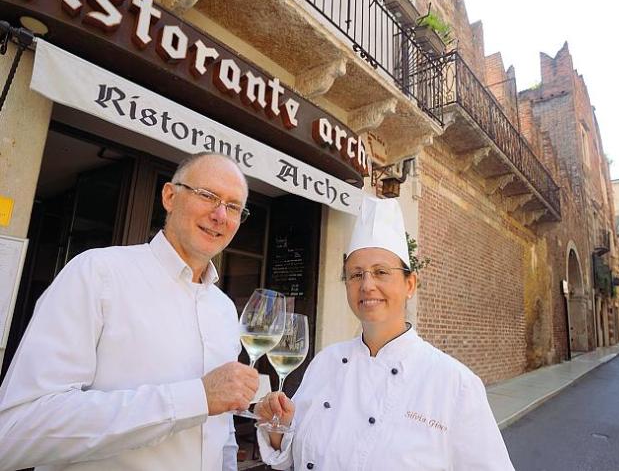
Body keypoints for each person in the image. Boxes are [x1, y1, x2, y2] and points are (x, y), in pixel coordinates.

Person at [0, 152, 259, 471]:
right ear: (169, 195)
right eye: (208, 195)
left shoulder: (224, 309)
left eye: (233, 206)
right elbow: (14, 434)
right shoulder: (97, 272)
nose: (220, 214)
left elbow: (221, 434)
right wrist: (195, 398)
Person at [255, 196, 515, 470]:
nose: (367, 285)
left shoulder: (455, 384)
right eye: (356, 274)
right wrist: (278, 428)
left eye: (380, 272)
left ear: (410, 284)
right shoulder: (325, 362)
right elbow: (292, 456)